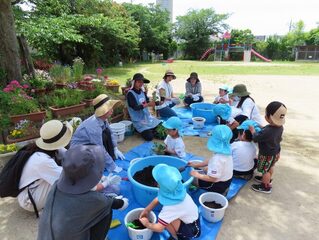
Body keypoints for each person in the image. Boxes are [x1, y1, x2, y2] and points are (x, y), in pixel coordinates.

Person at [37, 145, 129, 240]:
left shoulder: (56, 185)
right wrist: (121, 201)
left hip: (46, 236)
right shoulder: (95, 200)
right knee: (106, 210)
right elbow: (118, 204)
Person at [17, 120, 73, 215]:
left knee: (64, 170)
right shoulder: (42, 161)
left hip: (31, 190)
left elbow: (69, 155)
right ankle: (49, 208)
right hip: (29, 200)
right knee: (64, 179)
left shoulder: (49, 148)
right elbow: (66, 177)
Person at [139, 164, 201, 240]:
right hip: (195, 221)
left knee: (163, 220)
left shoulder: (170, 208)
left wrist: (147, 224)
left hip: (192, 232)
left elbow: (159, 228)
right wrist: (147, 210)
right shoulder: (178, 190)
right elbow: (158, 199)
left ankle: (177, 237)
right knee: (166, 219)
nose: (156, 183)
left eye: (157, 182)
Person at [70, 94, 124, 173]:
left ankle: (108, 158)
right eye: (109, 108)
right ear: (102, 111)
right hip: (79, 152)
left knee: (107, 133)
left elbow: (110, 132)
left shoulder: (103, 119)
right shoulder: (93, 127)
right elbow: (100, 148)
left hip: (89, 145)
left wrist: (115, 148)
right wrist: (112, 166)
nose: (112, 110)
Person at [250, 101, 287, 194]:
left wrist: (253, 131)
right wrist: (260, 126)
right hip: (275, 152)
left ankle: (265, 186)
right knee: (270, 166)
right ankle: (267, 179)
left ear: (269, 117)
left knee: (264, 170)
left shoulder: (268, 131)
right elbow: (268, 132)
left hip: (266, 154)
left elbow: (256, 137)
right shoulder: (280, 127)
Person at [188, 125, 233, 196]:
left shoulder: (217, 159)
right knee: (206, 168)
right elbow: (210, 160)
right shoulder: (226, 150)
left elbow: (212, 179)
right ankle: (223, 189)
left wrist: (197, 175)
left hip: (216, 185)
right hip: (226, 181)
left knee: (190, 177)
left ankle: (219, 192)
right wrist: (196, 165)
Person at [127, 73, 161, 141]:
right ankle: (141, 130)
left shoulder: (142, 92)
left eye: (142, 82)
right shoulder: (130, 93)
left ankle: (150, 129)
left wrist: (155, 102)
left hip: (147, 117)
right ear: (134, 82)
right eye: (139, 82)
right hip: (138, 120)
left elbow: (147, 101)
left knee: (161, 125)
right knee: (149, 137)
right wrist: (148, 104)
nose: (141, 83)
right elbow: (135, 108)